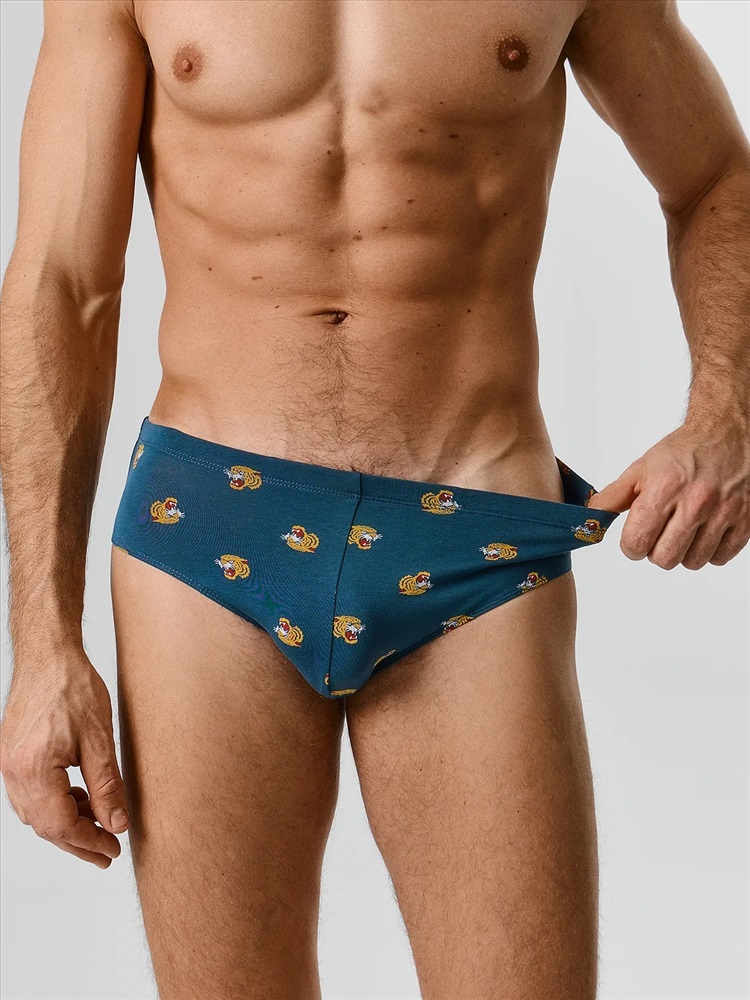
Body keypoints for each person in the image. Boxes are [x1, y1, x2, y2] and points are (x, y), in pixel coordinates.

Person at [0, 1, 748, 997]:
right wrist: (43, 644)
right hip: (210, 529)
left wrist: (726, 410)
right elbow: (62, 280)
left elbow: (715, 174)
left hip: (470, 534)